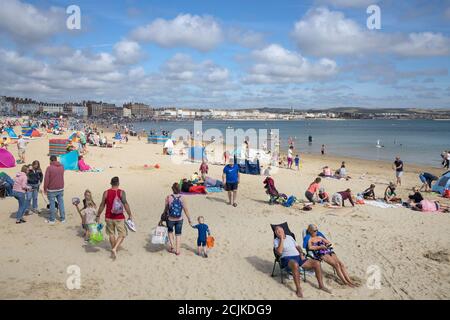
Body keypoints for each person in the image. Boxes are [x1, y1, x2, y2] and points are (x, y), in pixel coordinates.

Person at [273, 226, 331, 298]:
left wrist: (301, 253)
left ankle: (321, 285)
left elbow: (298, 246)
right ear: (275, 233)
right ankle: (298, 289)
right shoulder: (276, 240)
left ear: (284, 231)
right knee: (295, 264)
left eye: (281, 231)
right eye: (277, 232)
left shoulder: (290, 237)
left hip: (298, 257)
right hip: (287, 259)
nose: (280, 233)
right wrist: (281, 238)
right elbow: (279, 252)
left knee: (317, 263)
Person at [96, 177, 134, 259]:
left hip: (108, 217)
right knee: (122, 234)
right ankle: (115, 248)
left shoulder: (106, 193)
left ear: (111, 183)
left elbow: (102, 205)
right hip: (119, 217)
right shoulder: (121, 192)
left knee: (111, 234)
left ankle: (114, 248)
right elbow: (125, 204)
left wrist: (98, 215)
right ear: (118, 183)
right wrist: (130, 214)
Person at [164, 182, 192, 256]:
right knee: (178, 234)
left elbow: (166, 209)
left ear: (172, 189)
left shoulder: (168, 197)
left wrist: (163, 216)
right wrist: (189, 219)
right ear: (179, 189)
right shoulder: (183, 198)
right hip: (179, 219)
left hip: (170, 218)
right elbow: (186, 209)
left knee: (170, 232)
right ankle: (177, 251)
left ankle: (172, 246)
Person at [43, 155, 65, 224]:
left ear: (51, 160)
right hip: (60, 187)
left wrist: (45, 189)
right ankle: (63, 218)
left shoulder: (49, 168)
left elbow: (46, 179)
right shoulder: (62, 167)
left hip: (52, 189)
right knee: (61, 203)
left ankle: (52, 219)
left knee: (52, 204)